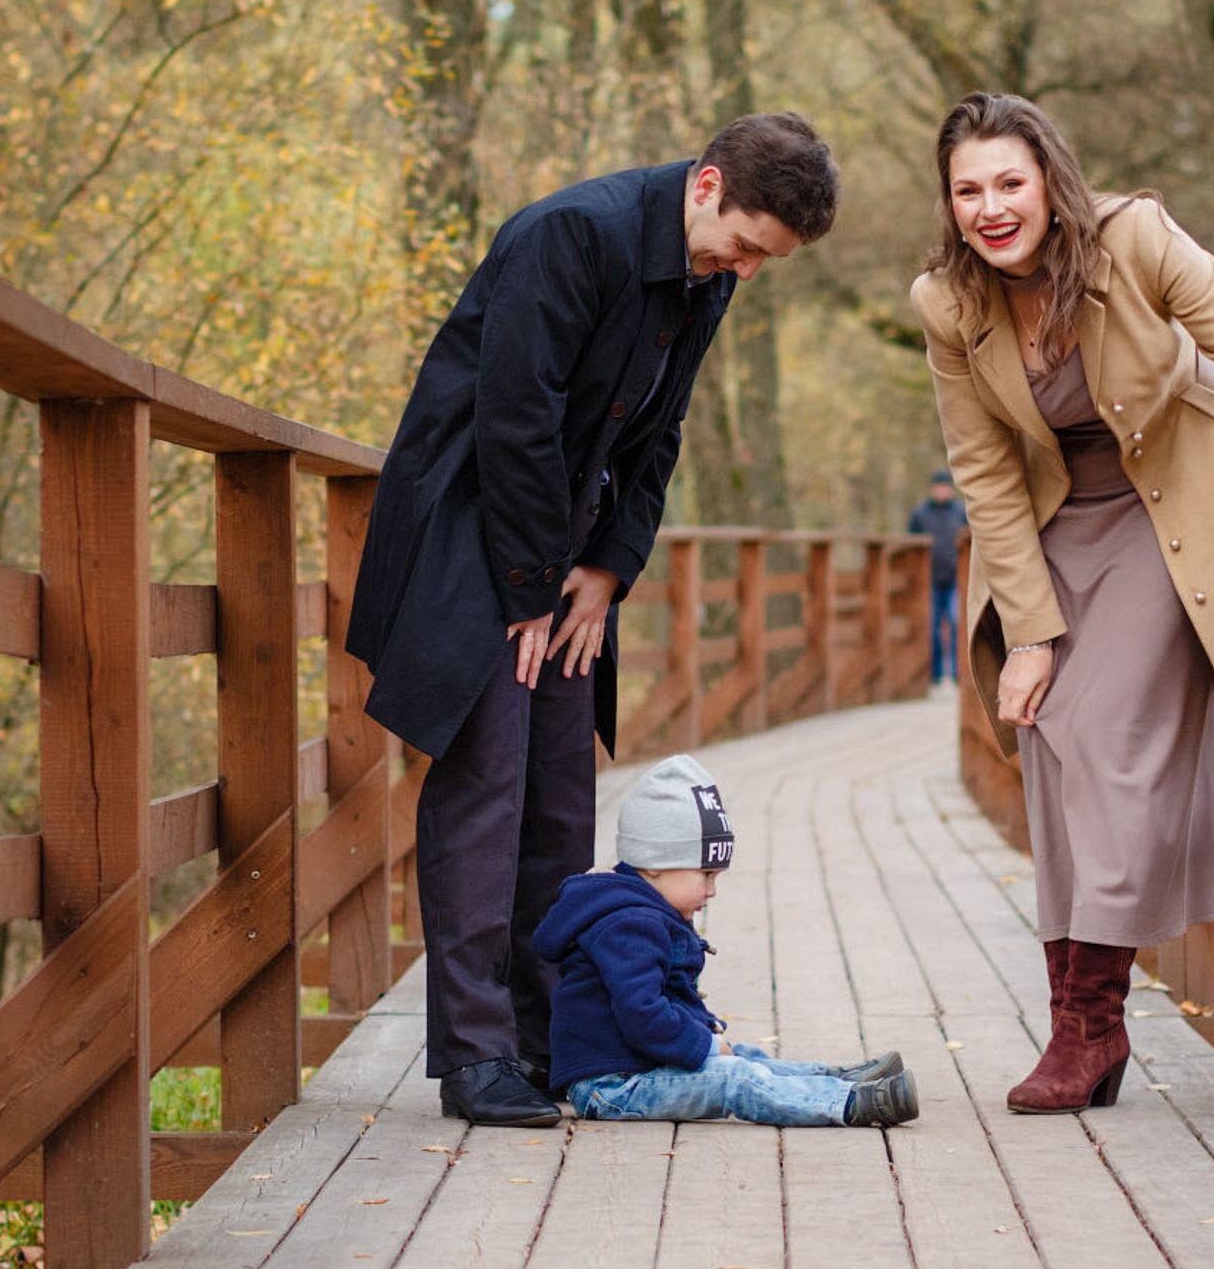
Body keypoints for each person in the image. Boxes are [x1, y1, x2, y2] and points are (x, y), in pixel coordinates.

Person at [347, 115, 840, 1127]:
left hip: (565, 555)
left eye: (766, 262)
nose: (747, 271)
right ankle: (476, 1058)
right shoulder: (571, 235)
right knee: (487, 783)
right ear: (705, 186)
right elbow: (513, 416)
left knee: (563, 791)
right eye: (747, 245)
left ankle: (548, 1041)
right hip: (471, 539)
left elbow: (659, 437)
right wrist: (529, 585)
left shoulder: (704, 279)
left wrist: (610, 569)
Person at [911, 93, 1214, 1114]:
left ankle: (1092, 1022)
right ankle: (1078, 1017)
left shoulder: (1133, 239)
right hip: (1057, 521)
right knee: (1055, 737)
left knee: (1110, 730)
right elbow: (982, 473)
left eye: (1009, 183)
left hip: (1172, 507)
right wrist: (1027, 632)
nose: (991, 207)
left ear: (1050, 180)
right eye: (968, 189)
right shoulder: (949, 302)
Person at [538, 756, 918, 1127]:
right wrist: (702, 1045)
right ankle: (847, 1103)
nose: (712, 890)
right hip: (613, 1086)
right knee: (735, 1077)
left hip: (639, 1065)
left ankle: (834, 1079)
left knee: (744, 1056)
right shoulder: (628, 924)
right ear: (654, 862)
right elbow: (642, 1015)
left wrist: (706, 1042)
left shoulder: (645, 908)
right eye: (705, 875)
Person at [907, 468, 968, 682]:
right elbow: (911, 545)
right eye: (938, 487)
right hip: (929, 580)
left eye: (945, 487)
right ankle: (932, 675)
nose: (942, 491)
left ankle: (957, 674)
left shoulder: (960, 512)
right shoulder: (920, 513)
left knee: (955, 624)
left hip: (954, 578)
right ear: (933, 489)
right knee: (931, 627)